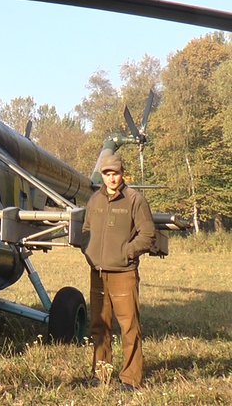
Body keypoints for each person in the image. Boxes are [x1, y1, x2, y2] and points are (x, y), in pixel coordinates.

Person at [82, 152, 156, 391]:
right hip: (98, 273)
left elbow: (147, 235)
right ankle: (100, 374)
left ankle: (130, 379)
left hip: (124, 273)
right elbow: (86, 231)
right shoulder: (94, 200)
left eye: (115, 173)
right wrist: (90, 253)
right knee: (99, 325)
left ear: (122, 174)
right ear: (102, 175)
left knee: (129, 326)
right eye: (107, 174)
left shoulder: (135, 200)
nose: (112, 178)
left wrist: (126, 253)